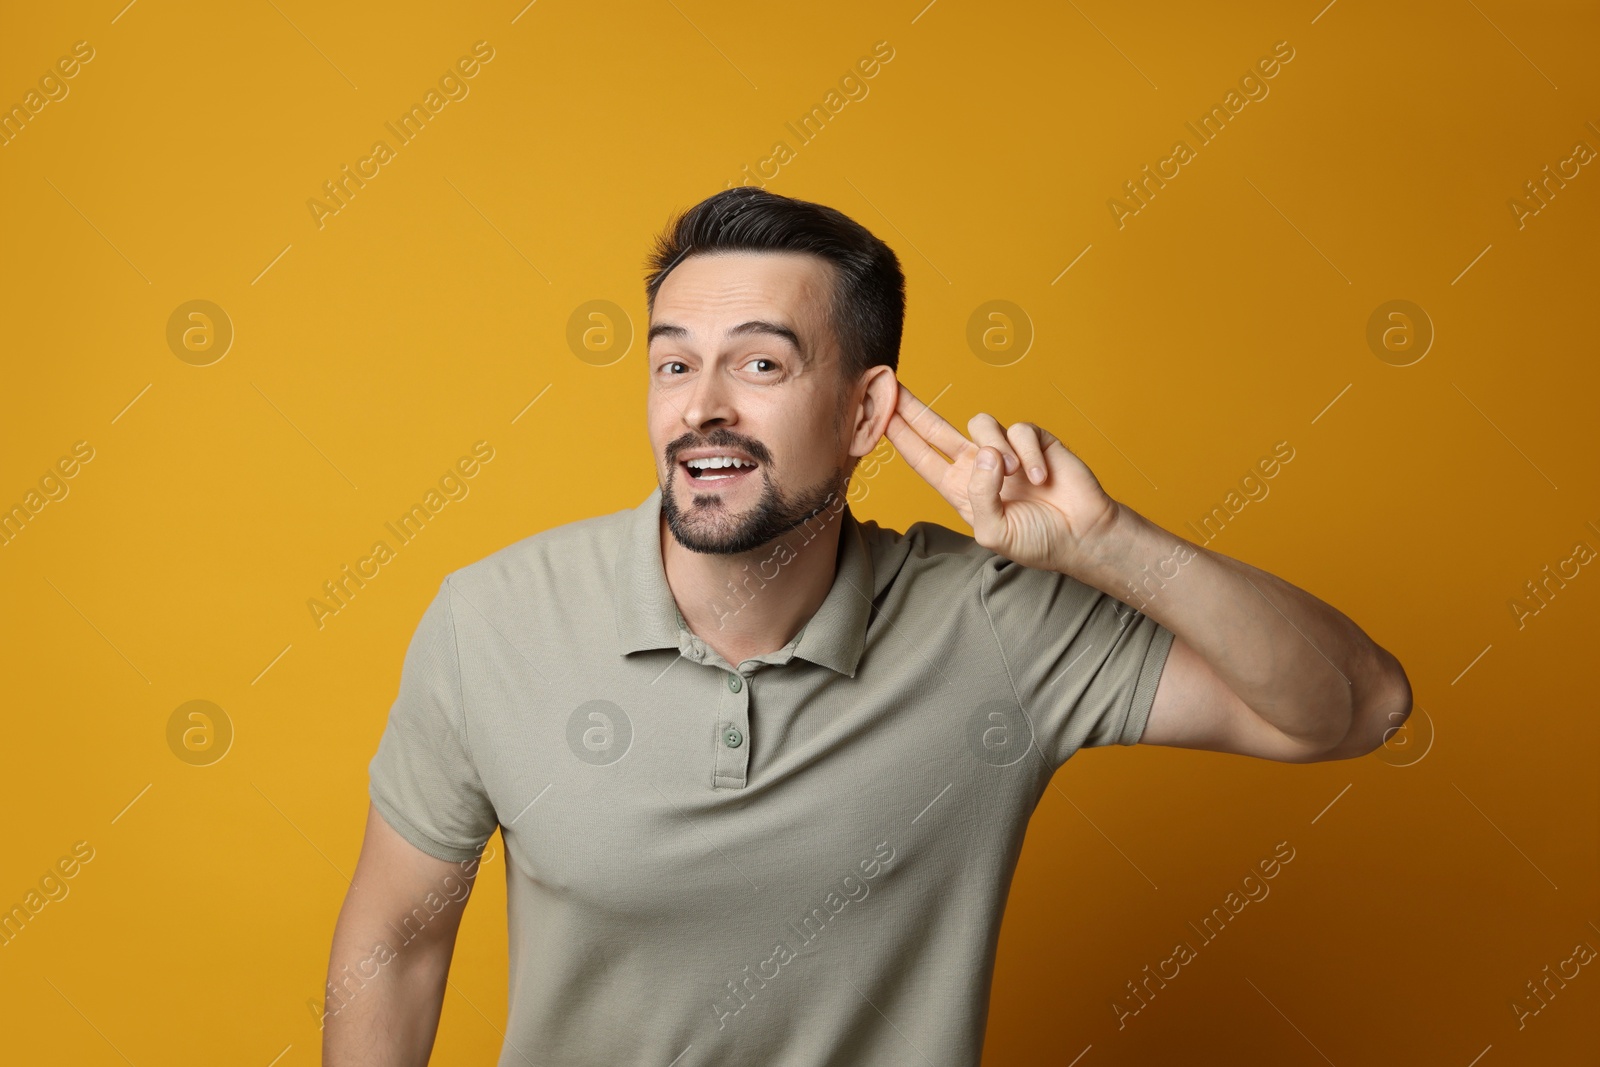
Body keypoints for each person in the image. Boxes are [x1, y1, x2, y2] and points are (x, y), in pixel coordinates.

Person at [322, 187, 1411, 1065]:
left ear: (864, 413)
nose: (700, 404)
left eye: (758, 363)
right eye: (671, 362)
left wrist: (1106, 542)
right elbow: (396, 941)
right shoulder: (494, 618)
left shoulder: (993, 627)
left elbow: (1355, 705)